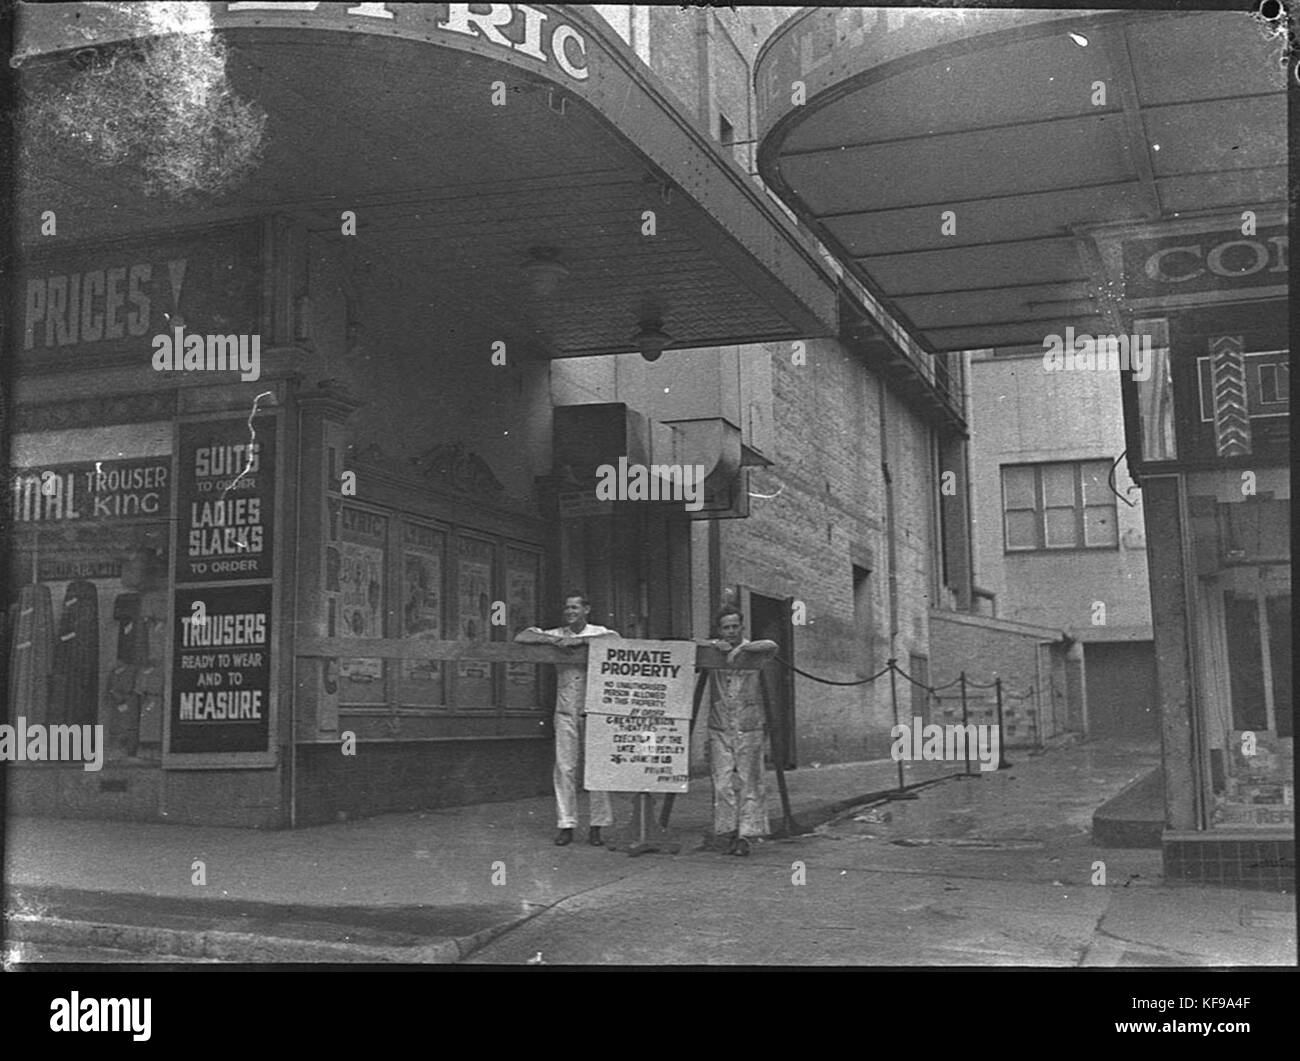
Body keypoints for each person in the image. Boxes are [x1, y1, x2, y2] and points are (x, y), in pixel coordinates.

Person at [516, 593, 619, 846]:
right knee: (564, 766)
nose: (569, 611)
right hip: (565, 707)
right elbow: (523, 636)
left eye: (575, 607)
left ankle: (598, 825)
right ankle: (566, 823)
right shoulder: (558, 633)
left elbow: (615, 639)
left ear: (586, 609)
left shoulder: (599, 631)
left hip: (594, 706)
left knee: (596, 766)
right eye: (567, 608)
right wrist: (556, 640)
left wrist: (581, 643)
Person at [699, 606, 778, 856]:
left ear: (741, 627)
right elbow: (692, 646)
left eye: (735, 626)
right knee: (722, 783)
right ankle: (727, 831)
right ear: (719, 629)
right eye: (726, 627)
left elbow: (771, 645)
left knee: (750, 781)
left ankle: (746, 835)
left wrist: (741, 649)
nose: (731, 631)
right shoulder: (714, 650)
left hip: (749, 725)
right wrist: (716, 646)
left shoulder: (754, 650)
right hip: (720, 725)